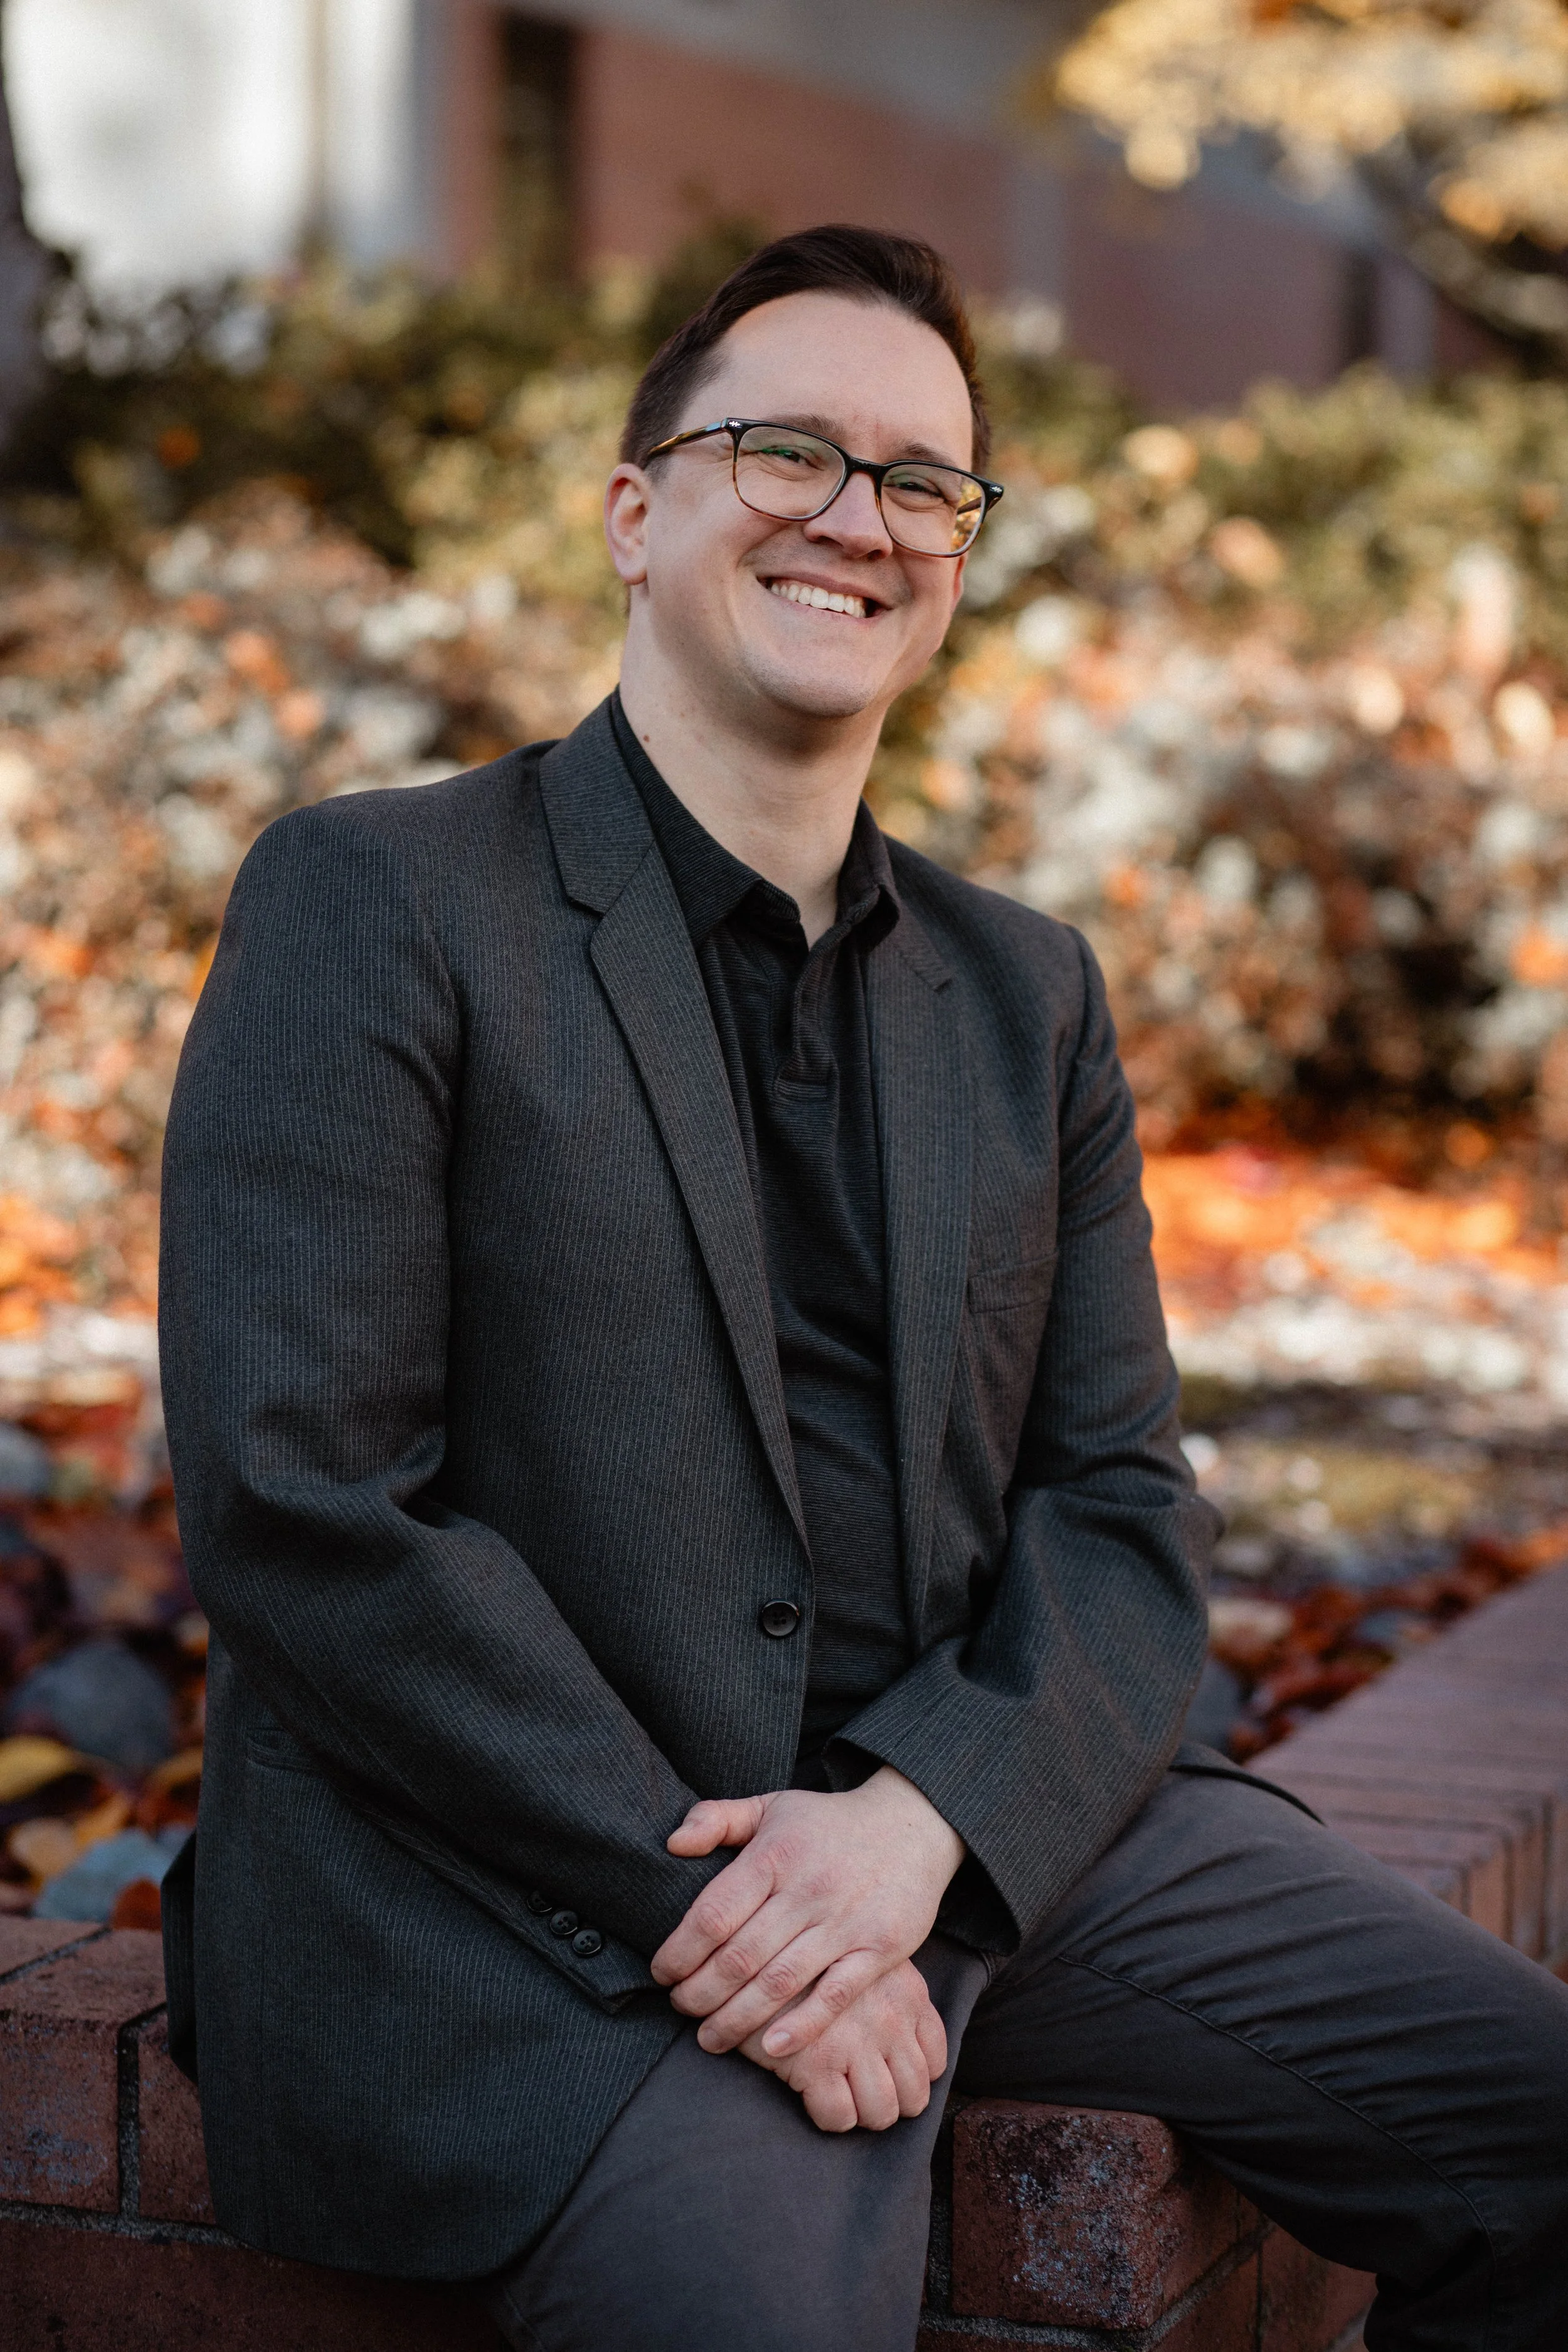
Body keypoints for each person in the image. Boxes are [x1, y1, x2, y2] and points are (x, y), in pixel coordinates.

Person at [158, 225, 1568, 2352]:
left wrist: (915, 1829)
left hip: (968, 1824)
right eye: (787, 448)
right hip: (525, 1877)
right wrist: (749, 1899)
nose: (857, 516)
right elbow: (307, 1504)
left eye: (922, 479)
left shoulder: (1027, 993)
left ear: (961, 556)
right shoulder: (381, 897)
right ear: (636, 515)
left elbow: (1119, 1500)